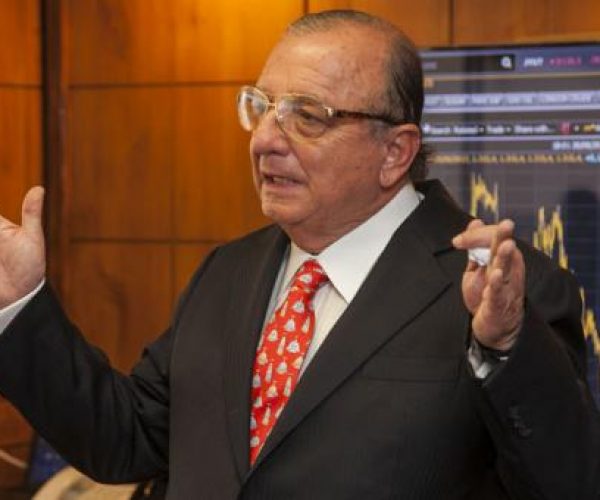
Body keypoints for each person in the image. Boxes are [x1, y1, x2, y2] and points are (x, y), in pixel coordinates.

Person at [0, 9, 598, 500]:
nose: (264, 140)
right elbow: (126, 438)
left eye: (307, 116)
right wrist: (21, 306)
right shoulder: (227, 272)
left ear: (394, 152)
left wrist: (504, 347)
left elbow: (568, 482)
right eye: (261, 107)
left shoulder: (503, 293)